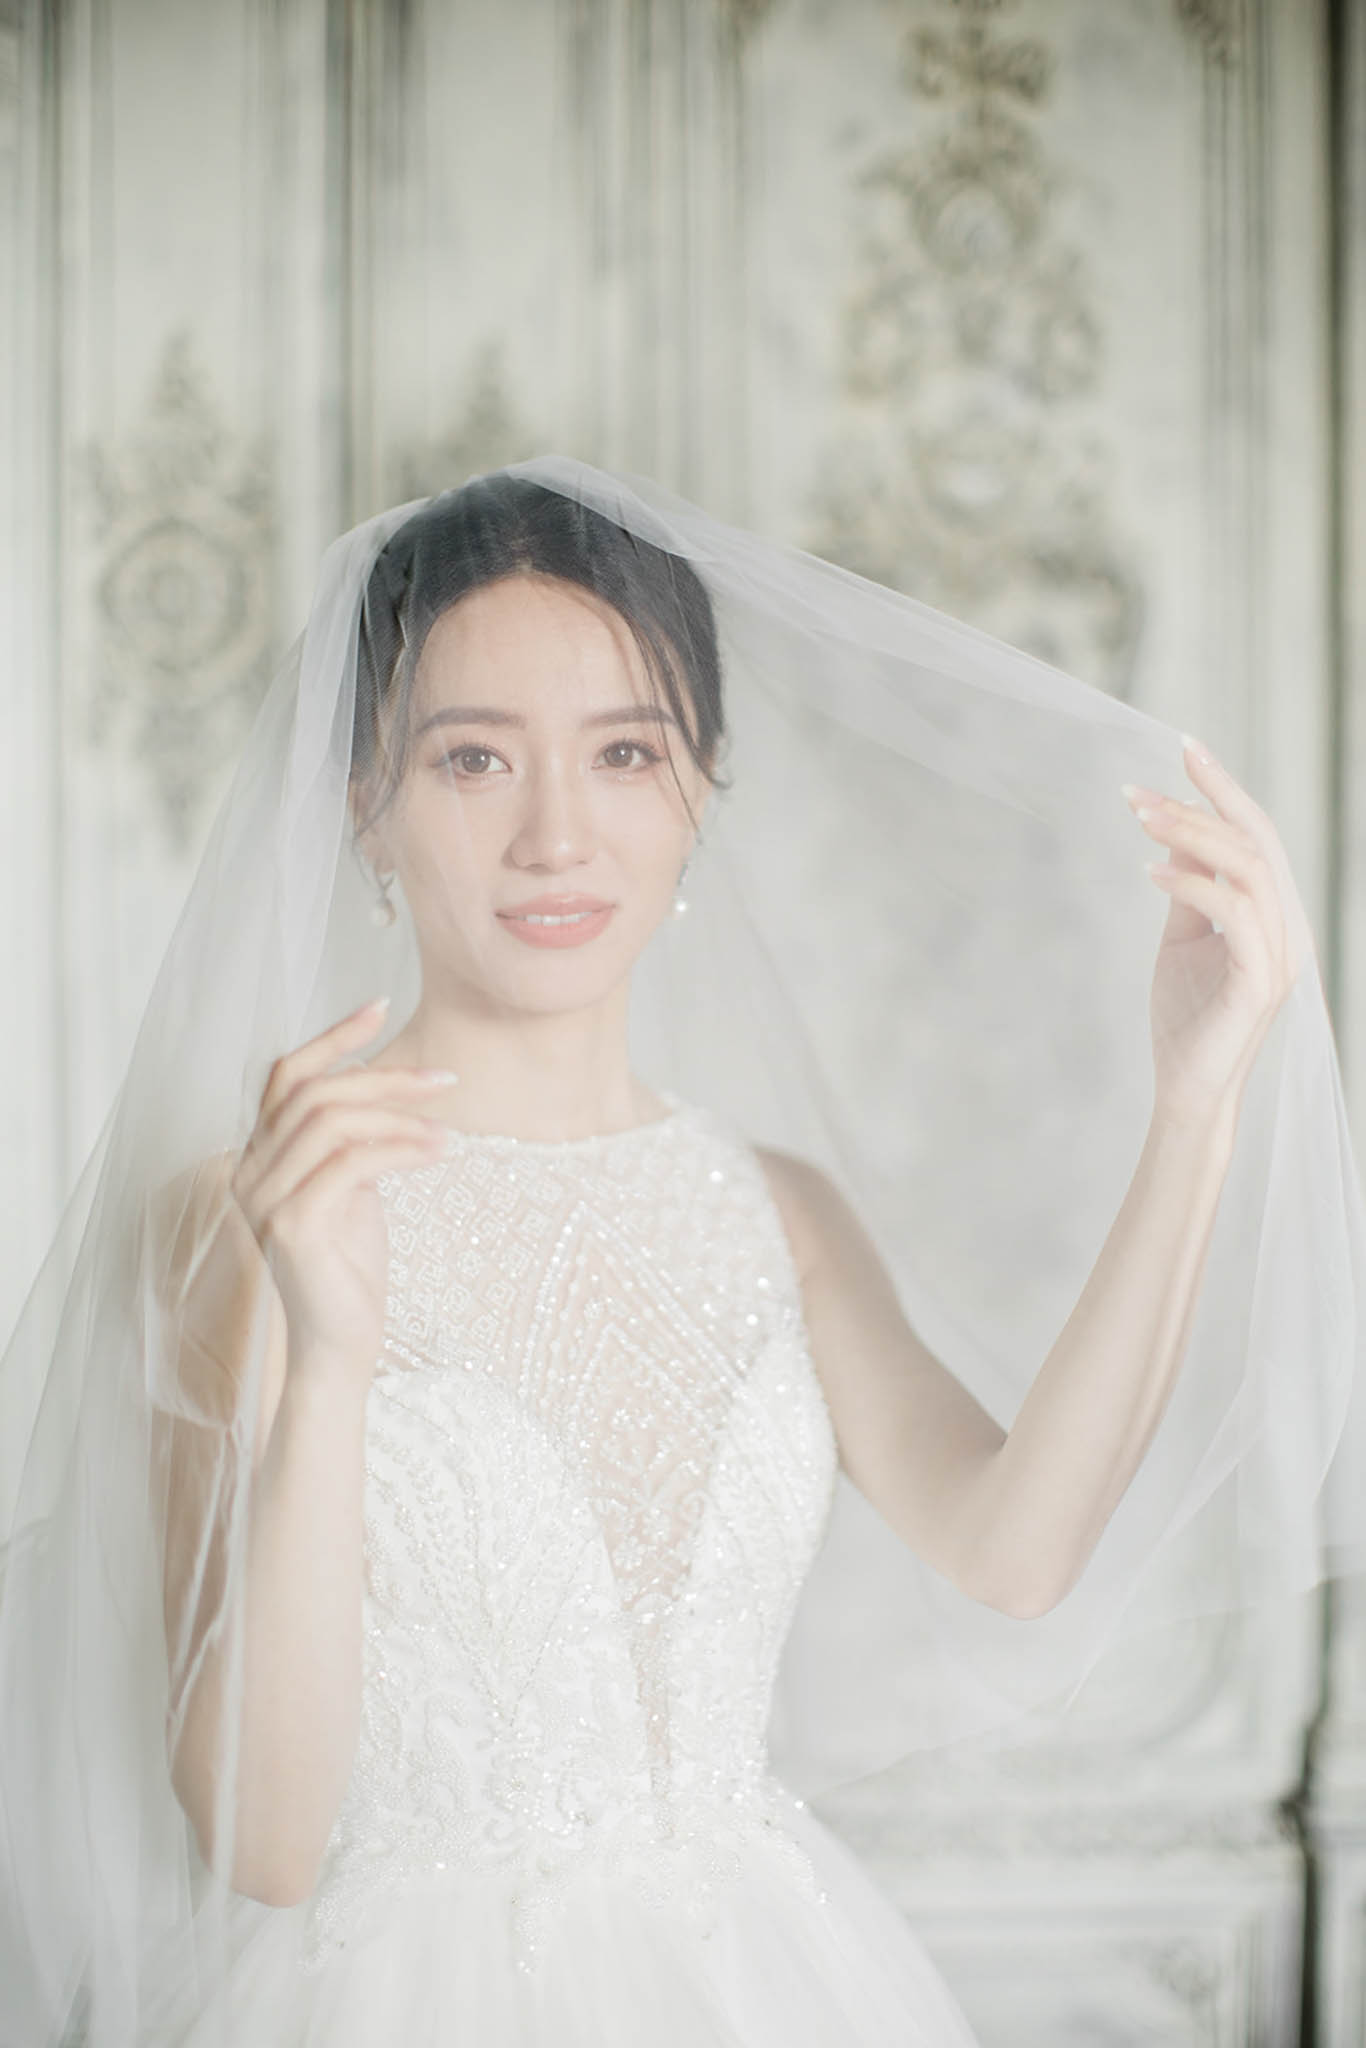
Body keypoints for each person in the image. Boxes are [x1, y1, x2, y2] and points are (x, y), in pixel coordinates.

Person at [2, 461, 1364, 2048]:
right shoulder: (252, 1211)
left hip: (764, 1980)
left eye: (624, 753)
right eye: (470, 759)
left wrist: (1194, 1104)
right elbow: (265, 1845)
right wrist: (328, 1368)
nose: (554, 836)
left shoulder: (773, 1206)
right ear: (365, 798)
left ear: (698, 790)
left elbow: (1016, 1549)